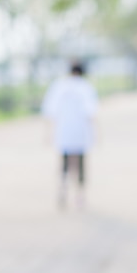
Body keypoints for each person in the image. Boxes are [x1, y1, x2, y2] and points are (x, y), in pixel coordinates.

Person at [41, 60, 98, 209]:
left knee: (65, 163)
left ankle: (63, 189)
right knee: (80, 164)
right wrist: (95, 133)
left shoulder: (59, 86)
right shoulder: (86, 87)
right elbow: (91, 112)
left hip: (63, 131)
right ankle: (80, 196)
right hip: (80, 132)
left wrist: (48, 132)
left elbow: (50, 110)